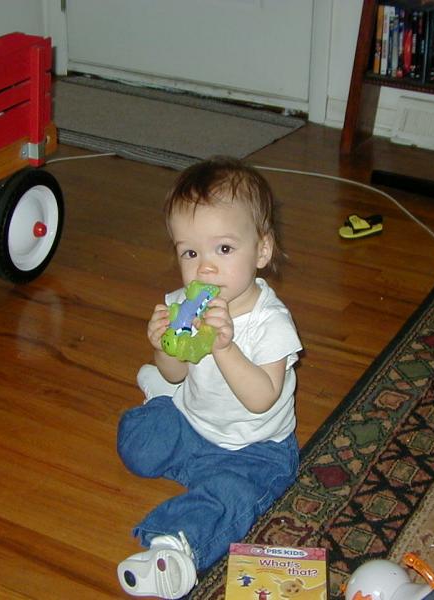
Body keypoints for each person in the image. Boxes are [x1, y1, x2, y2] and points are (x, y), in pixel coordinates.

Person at [116, 157, 303, 599]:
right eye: (190, 253)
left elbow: (262, 398)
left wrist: (224, 347)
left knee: (232, 496)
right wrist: (164, 348)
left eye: (223, 249)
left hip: (254, 448)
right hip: (194, 423)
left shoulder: (271, 323)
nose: (205, 268)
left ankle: (175, 549)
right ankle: (157, 399)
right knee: (139, 444)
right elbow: (177, 372)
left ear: (261, 250)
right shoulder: (185, 302)